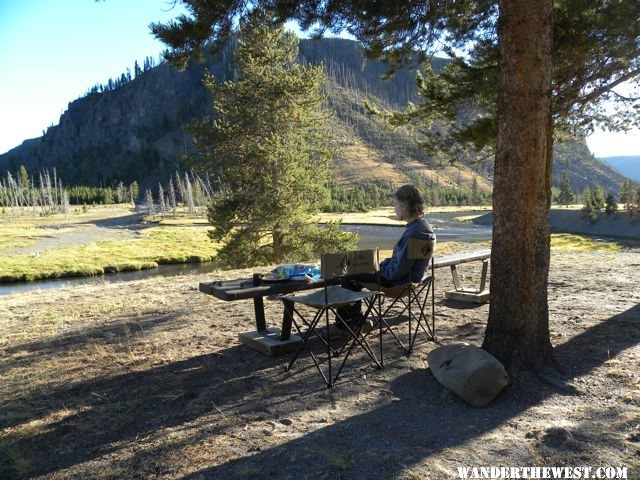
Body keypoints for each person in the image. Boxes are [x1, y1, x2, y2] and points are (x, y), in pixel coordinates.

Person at [325, 184, 436, 338]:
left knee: (348, 276)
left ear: (405, 205)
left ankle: (347, 326)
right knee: (353, 267)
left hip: (399, 283)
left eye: (395, 203)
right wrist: (379, 265)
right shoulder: (422, 226)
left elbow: (397, 272)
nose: (394, 207)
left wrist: (378, 270)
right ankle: (355, 321)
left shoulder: (416, 232)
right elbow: (401, 262)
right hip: (409, 280)